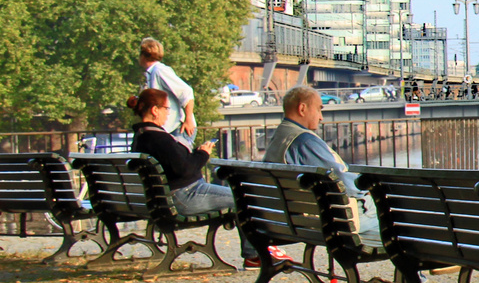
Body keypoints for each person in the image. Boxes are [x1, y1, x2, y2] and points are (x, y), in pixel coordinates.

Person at [128, 88, 264, 266]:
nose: (168, 114)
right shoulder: (158, 139)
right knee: (245, 198)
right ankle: (254, 255)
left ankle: (254, 254)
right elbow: (184, 169)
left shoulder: (141, 138)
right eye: (166, 109)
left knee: (240, 196)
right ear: (155, 110)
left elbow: (176, 164)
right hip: (186, 196)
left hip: (169, 198)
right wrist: (203, 154)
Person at [264, 86, 379, 242]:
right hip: (332, 220)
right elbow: (343, 181)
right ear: (302, 108)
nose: (321, 117)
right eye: (319, 109)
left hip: (293, 217)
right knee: (395, 216)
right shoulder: (304, 141)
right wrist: (367, 189)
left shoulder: (281, 135)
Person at [139, 38, 196, 148]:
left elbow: (186, 91)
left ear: (143, 55)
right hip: (169, 131)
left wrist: (188, 119)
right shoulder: (151, 73)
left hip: (178, 129)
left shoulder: (160, 71)